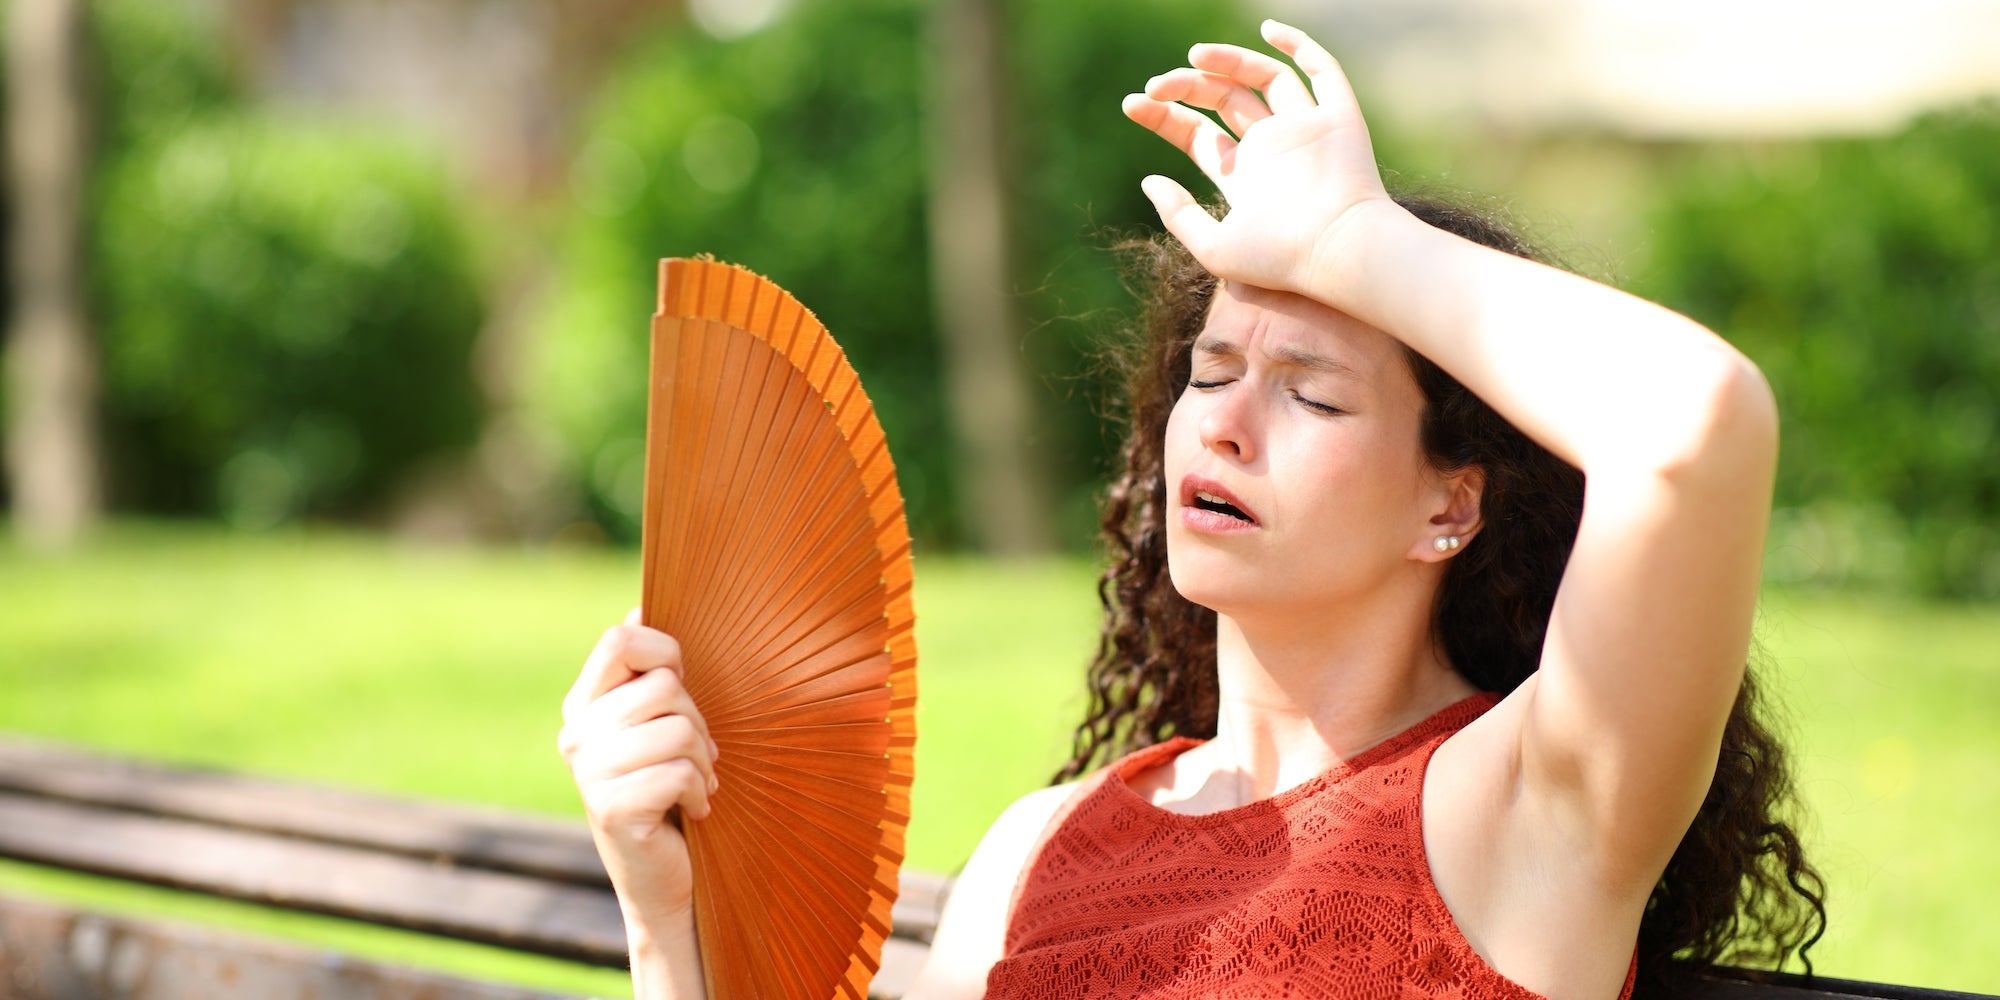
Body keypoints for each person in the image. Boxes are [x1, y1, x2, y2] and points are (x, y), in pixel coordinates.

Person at [558, 19, 1825, 1000]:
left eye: (1310, 397)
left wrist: (1345, 239)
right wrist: (664, 919)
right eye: (1207, 372)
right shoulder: (1039, 848)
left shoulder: (1517, 816)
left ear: (1450, 504)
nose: (1218, 422)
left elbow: (1694, 427)